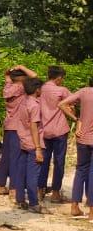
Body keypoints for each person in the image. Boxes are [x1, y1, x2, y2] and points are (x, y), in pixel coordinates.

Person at [59, 77, 93, 217]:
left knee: (80, 171)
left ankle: (74, 206)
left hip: (82, 137)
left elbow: (62, 104)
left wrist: (76, 119)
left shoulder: (84, 91)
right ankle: (92, 211)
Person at [0, 65, 36, 195]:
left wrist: (7, 76)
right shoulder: (21, 88)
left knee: (6, 157)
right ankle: (14, 187)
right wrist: (22, 67)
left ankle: (1, 185)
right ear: (21, 78)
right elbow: (35, 76)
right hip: (17, 127)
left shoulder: (8, 87)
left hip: (8, 125)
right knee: (16, 157)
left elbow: (8, 79)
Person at [38, 65, 72, 202]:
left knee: (43, 161)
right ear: (58, 78)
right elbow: (72, 103)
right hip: (59, 130)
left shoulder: (40, 88)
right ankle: (56, 193)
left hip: (44, 130)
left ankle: (40, 189)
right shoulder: (62, 90)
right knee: (59, 162)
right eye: (62, 78)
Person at [12, 78, 44, 211]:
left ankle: (20, 200)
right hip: (32, 143)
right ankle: (33, 203)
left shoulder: (23, 102)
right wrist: (38, 148)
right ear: (37, 89)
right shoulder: (34, 105)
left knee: (21, 172)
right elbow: (34, 127)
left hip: (23, 141)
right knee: (32, 175)